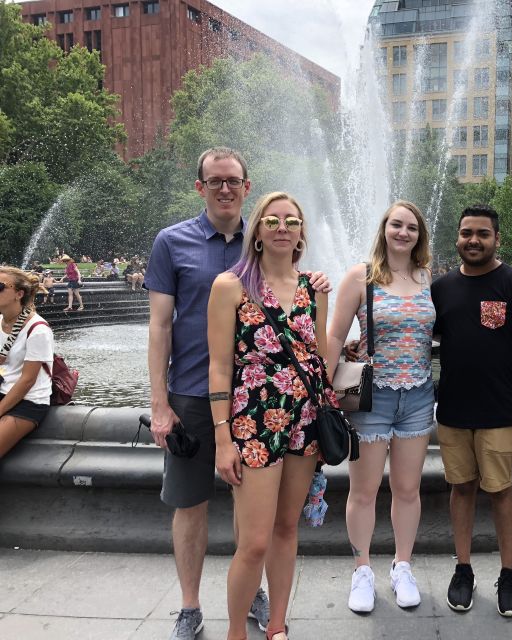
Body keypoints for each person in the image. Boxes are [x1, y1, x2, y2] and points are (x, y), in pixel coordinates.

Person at [145, 148, 327, 639]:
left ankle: (260, 603)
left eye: (233, 181)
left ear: (247, 186)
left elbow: (316, 348)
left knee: (263, 527)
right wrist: (159, 404)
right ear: (200, 185)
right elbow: (160, 327)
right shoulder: (174, 242)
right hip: (194, 394)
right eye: (215, 180)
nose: (225, 188)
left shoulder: (276, 256)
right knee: (191, 502)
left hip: (281, 412)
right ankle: (190, 606)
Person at [208, 191, 333, 640]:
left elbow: (319, 357)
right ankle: (236, 632)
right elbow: (220, 365)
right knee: (254, 541)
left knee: (285, 528)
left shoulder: (313, 289)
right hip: (253, 423)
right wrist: (224, 439)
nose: (283, 228)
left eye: (292, 222)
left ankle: (277, 625)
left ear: (301, 233)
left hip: (303, 422)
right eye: (273, 221)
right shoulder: (231, 285)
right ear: (257, 230)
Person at [431, 204, 512, 618]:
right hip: (453, 411)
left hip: (499, 413)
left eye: (482, 233)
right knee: (461, 488)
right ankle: (463, 568)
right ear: (457, 238)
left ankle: (509, 571)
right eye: (466, 233)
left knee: (500, 490)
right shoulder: (442, 288)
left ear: (498, 239)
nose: (473, 240)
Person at [327, 201, 435, 614]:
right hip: (372, 395)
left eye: (411, 227)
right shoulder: (362, 276)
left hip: (419, 395)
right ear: (384, 229)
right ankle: (362, 570)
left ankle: (402, 565)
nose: (403, 233)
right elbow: (336, 336)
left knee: (408, 489)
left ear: (419, 234)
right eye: (396, 225)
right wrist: (324, 383)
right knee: (365, 489)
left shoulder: (427, 278)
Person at [0, 267, 54, 459]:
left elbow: (27, 381)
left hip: (28, 401)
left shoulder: (38, 329)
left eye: (0, 287)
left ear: (19, 294)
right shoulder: (0, 322)